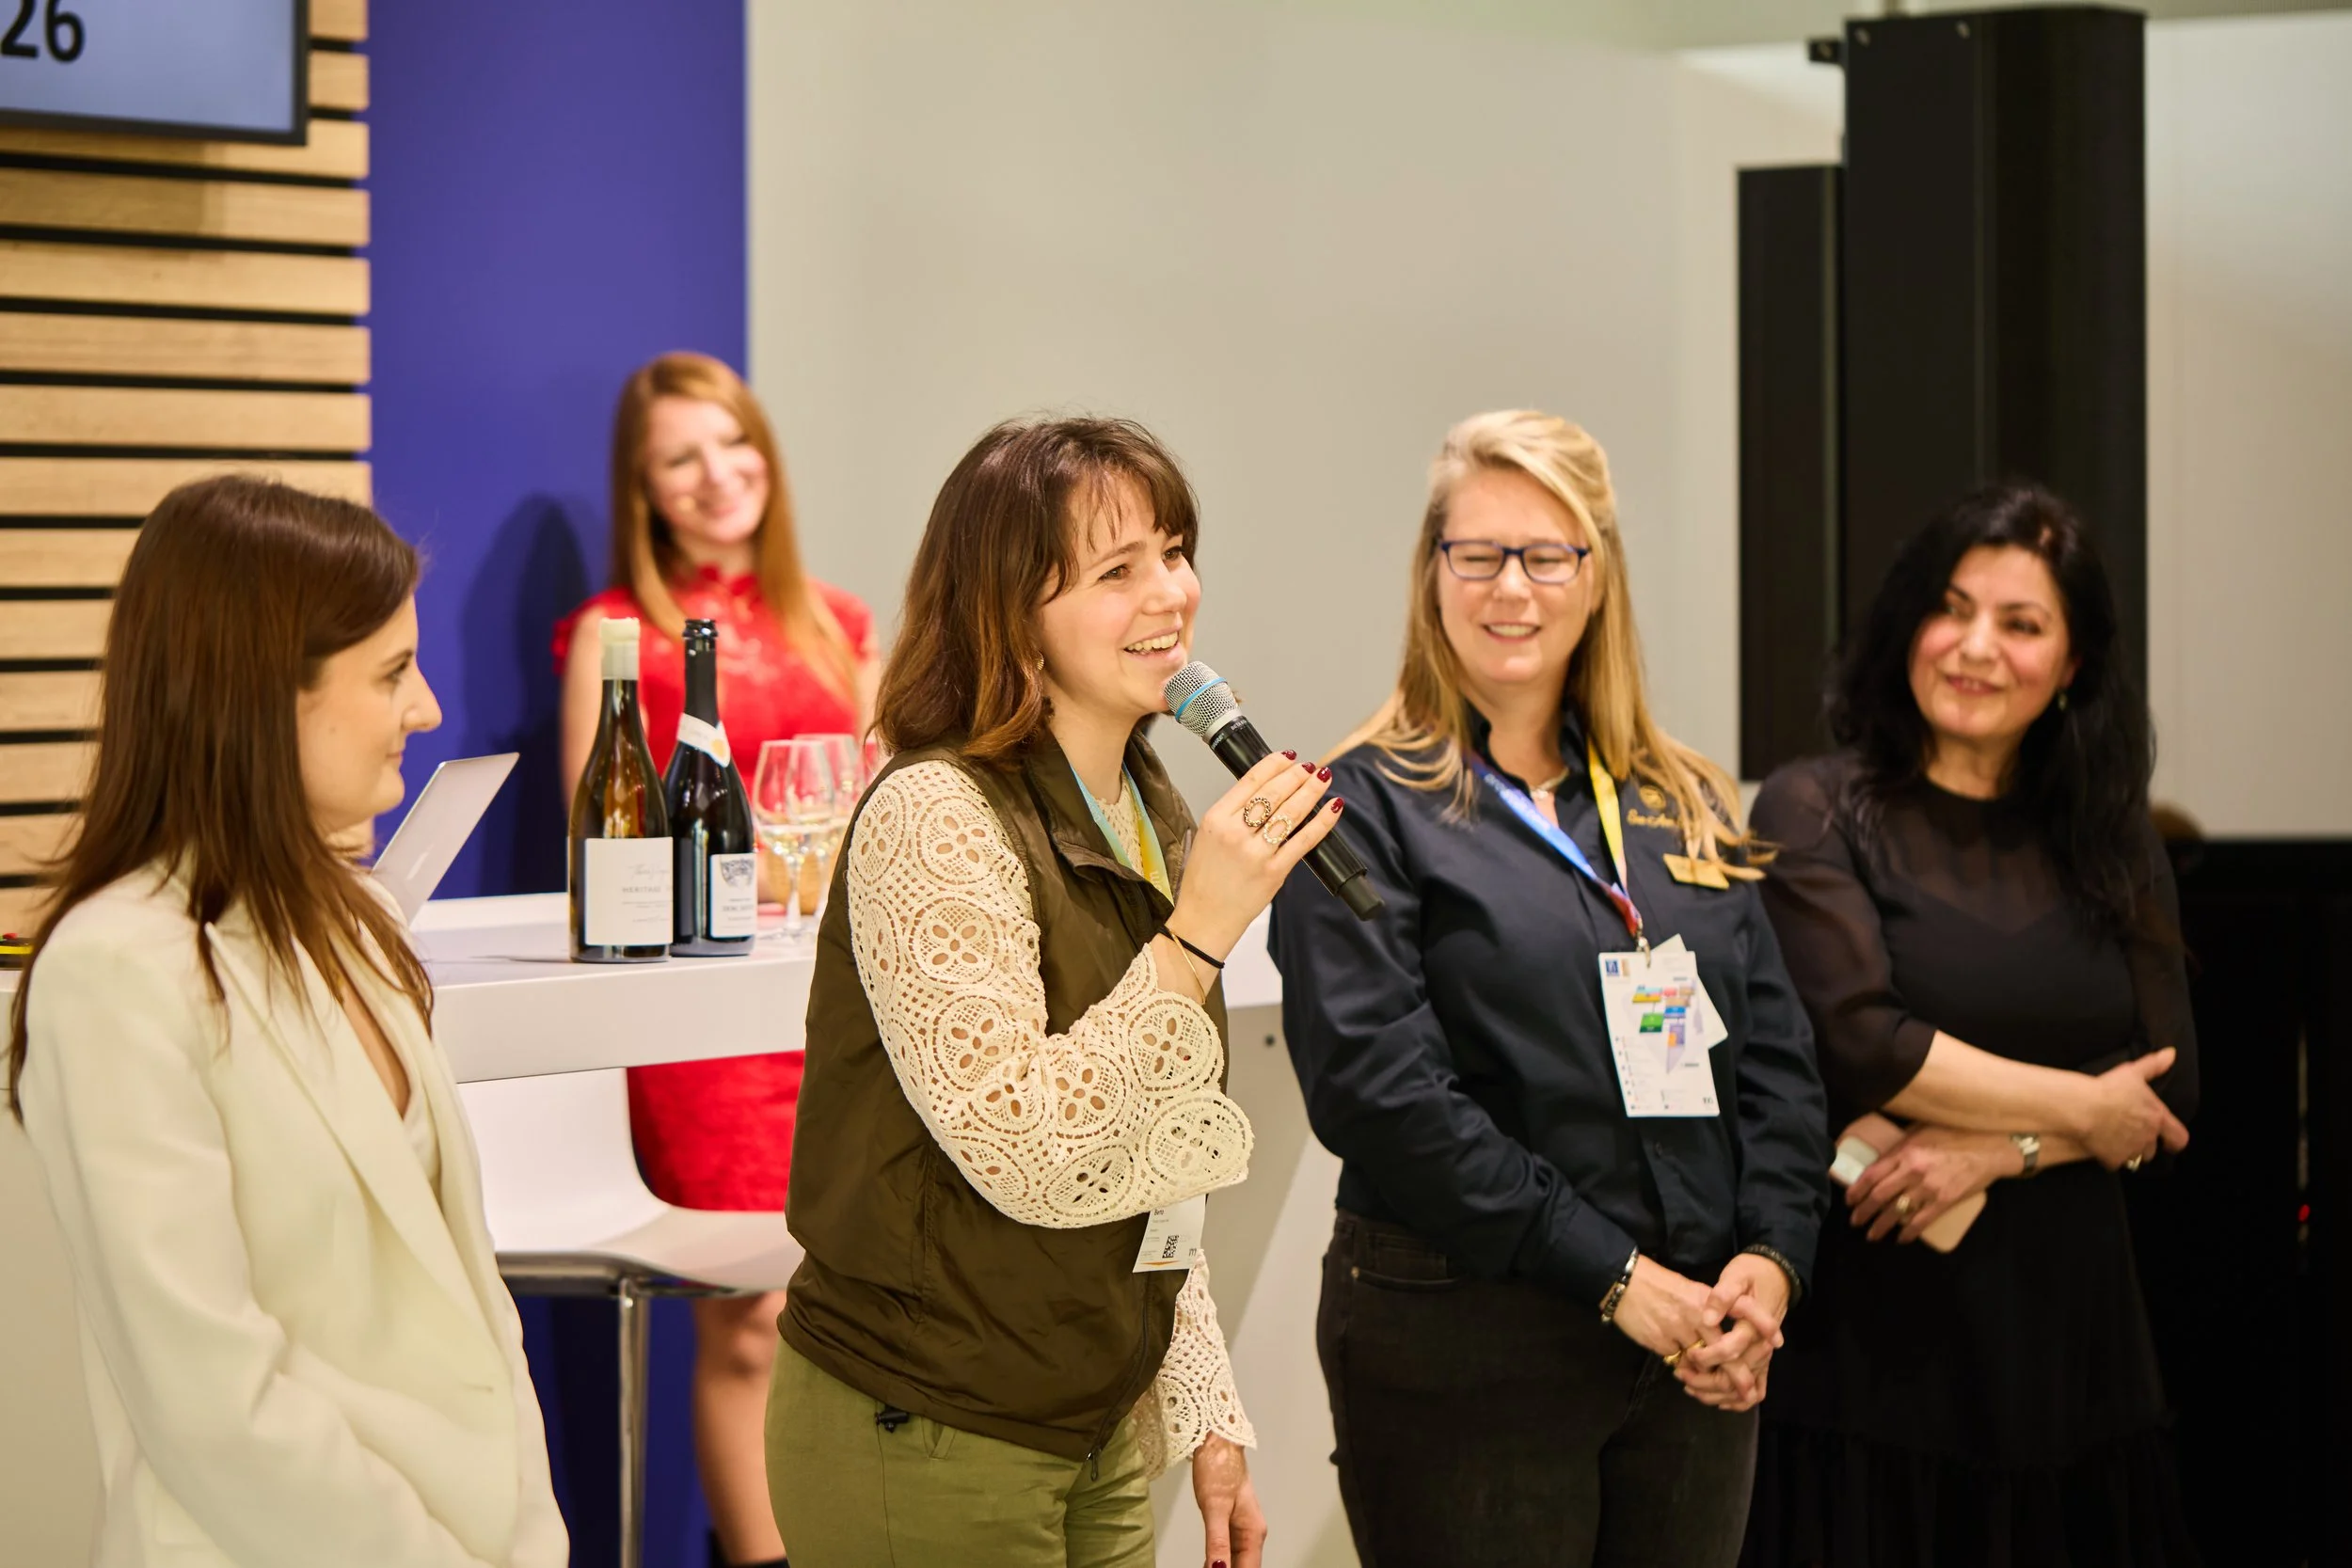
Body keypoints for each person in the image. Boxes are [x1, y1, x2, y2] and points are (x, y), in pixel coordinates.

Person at [1269, 410, 1831, 1568]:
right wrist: (1614, 1276)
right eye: (1475, 553)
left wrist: (1768, 1262)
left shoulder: (1679, 801)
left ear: (1597, 576)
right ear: (1432, 576)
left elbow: (1776, 1060)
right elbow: (1383, 1096)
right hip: (1465, 1347)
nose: (1508, 587)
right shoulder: (1355, 809)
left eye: (1546, 553)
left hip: (1691, 1344)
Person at [768, 417, 1327, 1568]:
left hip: (1088, 1420)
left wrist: (1208, 1406)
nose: (1170, 593)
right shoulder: (935, 814)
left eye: (1175, 550)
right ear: (1010, 608)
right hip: (920, 1417)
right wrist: (1198, 935)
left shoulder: (1149, 806)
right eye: (1118, 570)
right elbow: (1022, 1141)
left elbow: (1150, 1148)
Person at [7, 476, 565, 1568]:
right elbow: (209, 1396)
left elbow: (470, 1296)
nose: (429, 709)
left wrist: (524, 1530)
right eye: (394, 672)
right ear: (265, 694)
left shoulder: (357, 923)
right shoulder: (117, 970)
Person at [1740, 483, 2200, 1567]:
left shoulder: (2110, 833)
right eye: (1952, 608)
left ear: (2073, 663)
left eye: (2022, 623)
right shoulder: (1815, 804)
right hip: (1879, 1338)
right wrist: (2088, 1108)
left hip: (2074, 1350)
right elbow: (1863, 1038)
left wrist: (2005, 1149)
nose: (1974, 646)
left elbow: (2173, 1095)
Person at [555, 351, 875, 1568]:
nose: (717, 474)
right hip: (700, 1025)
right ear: (643, 484)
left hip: (829, 1004)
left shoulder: (840, 623)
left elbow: (875, 816)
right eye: (681, 455)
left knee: (839, 1305)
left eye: (733, 443)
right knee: (750, 1316)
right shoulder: (612, 634)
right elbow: (605, 843)